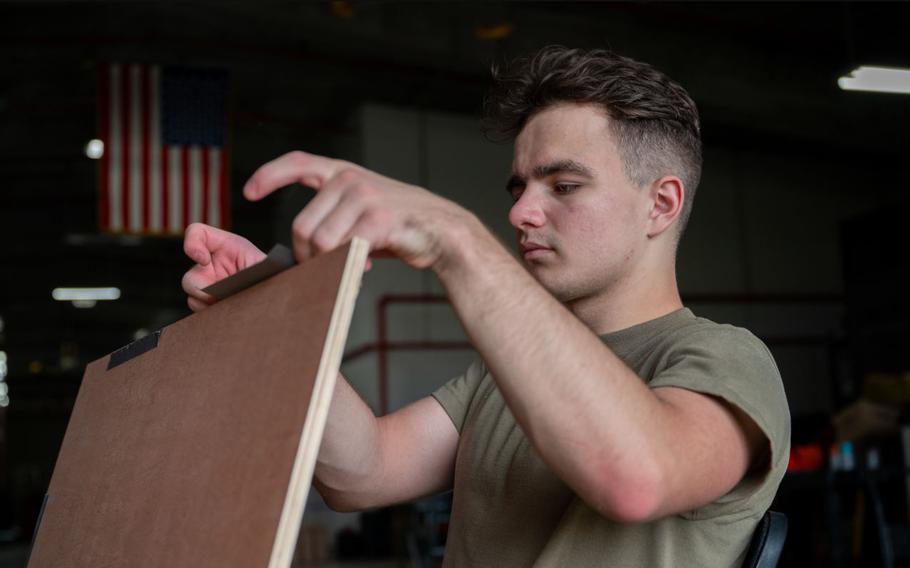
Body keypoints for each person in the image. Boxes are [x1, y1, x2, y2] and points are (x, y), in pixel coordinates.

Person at [182, 46, 789, 567]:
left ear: (661, 204)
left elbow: (636, 477)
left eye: (564, 186)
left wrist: (455, 235)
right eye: (519, 187)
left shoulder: (725, 359)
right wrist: (278, 319)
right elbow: (361, 474)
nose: (521, 212)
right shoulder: (500, 380)